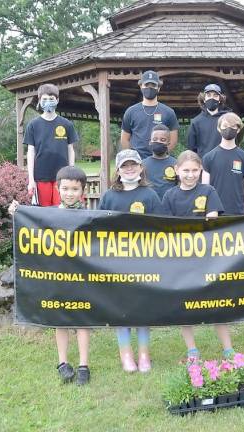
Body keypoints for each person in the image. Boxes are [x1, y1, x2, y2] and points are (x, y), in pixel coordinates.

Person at [9, 166, 91, 385]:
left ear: (83, 190)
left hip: (82, 279)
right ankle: (63, 363)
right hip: (58, 278)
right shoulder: (49, 214)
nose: (70, 193)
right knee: (59, 320)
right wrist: (17, 212)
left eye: (75, 189)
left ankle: (84, 365)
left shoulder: (91, 215)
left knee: (83, 321)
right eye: (65, 188)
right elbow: (31, 219)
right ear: (58, 188)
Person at [162, 150, 234, 360]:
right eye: (186, 170)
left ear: (201, 170)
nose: (190, 174)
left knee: (216, 303)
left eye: (195, 170)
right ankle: (192, 349)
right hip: (181, 259)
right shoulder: (169, 196)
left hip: (207, 259)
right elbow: (166, 227)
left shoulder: (209, 191)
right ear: (176, 170)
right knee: (185, 304)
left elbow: (211, 220)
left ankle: (228, 348)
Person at [98, 149, 163, 372]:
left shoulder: (150, 195)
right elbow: (99, 229)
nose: (129, 169)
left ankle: (144, 354)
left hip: (144, 260)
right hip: (117, 261)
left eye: (133, 164)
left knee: (142, 307)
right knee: (121, 308)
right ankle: (126, 354)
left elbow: (161, 227)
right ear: (117, 170)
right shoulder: (108, 196)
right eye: (124, 166)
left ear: (141, 167)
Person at [25, 83, 78, 206]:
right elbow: (30, 152)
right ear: (39, 101)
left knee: (62, 210)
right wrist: (31, 180)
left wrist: (71, 173)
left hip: (62, 177)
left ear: (57, 100)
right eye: (44, 99)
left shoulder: (67, 124)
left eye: (51, 99)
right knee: (44, 213)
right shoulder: (33, 125)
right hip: (41, 177)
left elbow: (70, 149)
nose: (48, 102)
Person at [201, 112, 244, 216]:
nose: (229, 129)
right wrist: (207, 211)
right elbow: (205, 188)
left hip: (238, 213)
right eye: (225, 126)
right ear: (219, 128)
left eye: (233, 126)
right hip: (214, 213)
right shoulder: (208, 158)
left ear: (238, 129)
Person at [121, 70, 179, 159]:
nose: (150, 88)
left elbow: (173, 140)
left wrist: (161, 155)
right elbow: (124, 139)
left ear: (159, 88)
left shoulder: (169, 112)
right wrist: (133, 158)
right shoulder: (131, 111)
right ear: (141, 86)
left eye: (153, 85)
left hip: (160, 160)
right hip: (138, 161)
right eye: (146, 85)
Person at [187, 83, 232, 158]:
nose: (212, 98)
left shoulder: (228, 119)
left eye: (215, 95)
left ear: (220, 99)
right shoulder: (196, 122)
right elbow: (191, 149)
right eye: (209, 95)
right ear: (204, 99)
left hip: (224, 161)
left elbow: (233, 143)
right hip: (203, 165)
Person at [142, 124, 177, 199]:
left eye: (163, 140)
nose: (158, 142)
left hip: (169, 205)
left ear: (168, 144)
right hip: (149, 206)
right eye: (155, 139)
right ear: (150, 142)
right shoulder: (142, 164)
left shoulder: (176, 164)